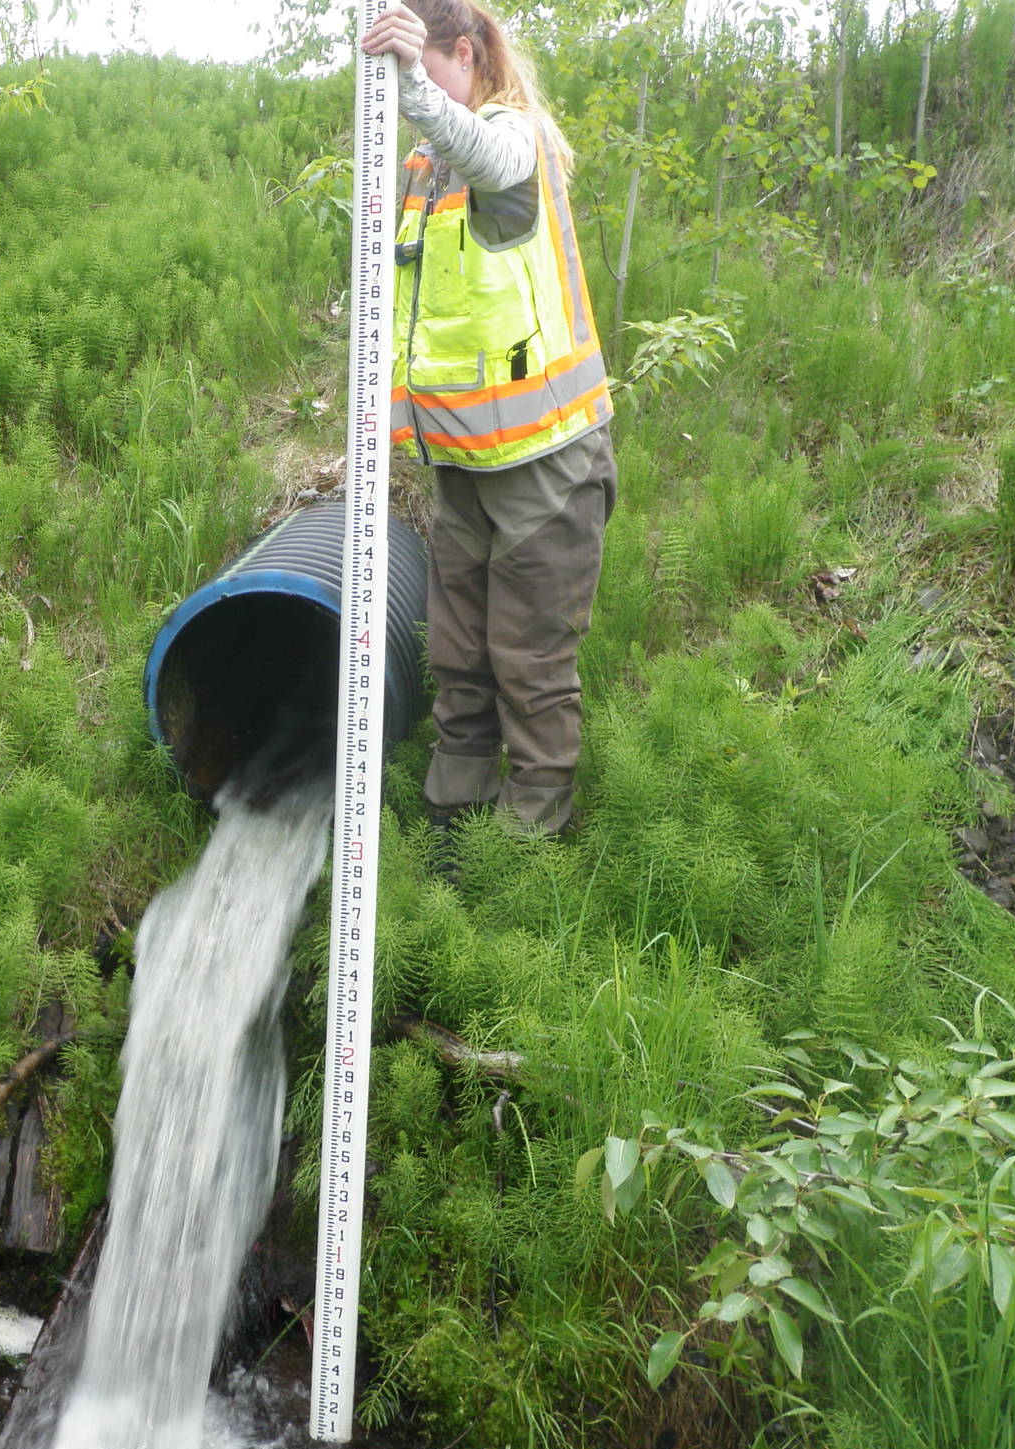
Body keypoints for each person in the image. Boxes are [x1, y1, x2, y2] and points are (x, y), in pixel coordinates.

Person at [361, 0, 616, 844]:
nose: (407, 95)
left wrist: (423, 100)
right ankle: (452, 821)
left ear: (463, 53)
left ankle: (530, 847)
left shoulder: (514, 133)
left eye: (420, 71)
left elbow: (495, 159)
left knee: (530, 663)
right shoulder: (423, 166)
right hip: (465, 458)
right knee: (459, 656)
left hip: (548, 457)